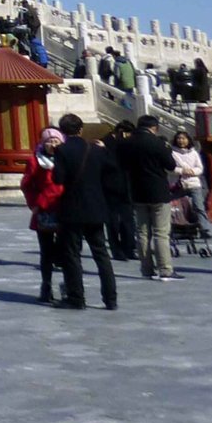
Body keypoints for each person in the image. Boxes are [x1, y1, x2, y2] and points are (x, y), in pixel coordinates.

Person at [51, 113, 119, 311]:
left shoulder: (62, 151)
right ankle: (110, 298)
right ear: (81, 129)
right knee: (101, 255)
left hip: (71, 209)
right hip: (96, 208)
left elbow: (58, 179)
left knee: (72, 254)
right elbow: (112, 171)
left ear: (62, 131)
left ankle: (76, 297)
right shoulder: (96, 149)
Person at [120, 116, 179, 281]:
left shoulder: (128, 143)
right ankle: (165, 268)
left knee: (142, 232)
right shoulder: (156, 142)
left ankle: (146, 268)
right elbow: (171, 165)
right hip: (158, 190)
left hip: (137, 190)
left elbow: (122, 164)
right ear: (154, 127)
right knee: (161, 232)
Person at [21, 126, 66, 303]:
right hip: (44, 209)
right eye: (49, 141)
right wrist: (34, 204)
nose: (52, 144)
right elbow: (26, 184)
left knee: (65, 252)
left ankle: (67, 285)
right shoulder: (35, 161)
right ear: (42, 143)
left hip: (64, 209)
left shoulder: (66, 159)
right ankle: (46, 285)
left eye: (55, 140)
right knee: (46, 251)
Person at [103, 121, 138, 260]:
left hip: (126, 186)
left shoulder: (127, 145)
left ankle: (129, 248)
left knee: (128, 220)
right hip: (109, 186)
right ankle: (116, 250)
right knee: (112, 222)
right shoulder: (104, 143)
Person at [170, 130, 210, 237]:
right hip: (179, 184)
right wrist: (182, 171)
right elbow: (171, 168)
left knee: (199, 207)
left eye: (183, 138)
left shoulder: (194, 153)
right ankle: (176, 226)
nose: (181, 141)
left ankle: (204, 229)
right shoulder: (173, 153)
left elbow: (200, 168)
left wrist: (193, 172)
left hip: (194, 183)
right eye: (179, 138)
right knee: (174, 206)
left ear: (188, 140)